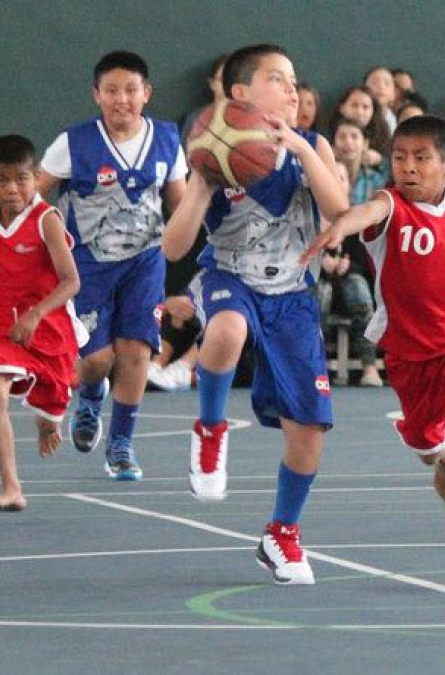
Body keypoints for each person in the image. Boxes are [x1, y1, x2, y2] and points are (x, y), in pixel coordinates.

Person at [162, 43, 348, 585]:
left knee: (309, 431)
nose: (292, 88)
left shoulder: (313, 145)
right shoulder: (209, 155)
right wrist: (200, 186)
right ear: (238, 93)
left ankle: (281, 534)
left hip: (292, 296)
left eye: (294, 80)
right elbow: (173, 248)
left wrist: (301, 150)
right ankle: (211, 425)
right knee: (227, 328)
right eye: (277, 78)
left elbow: (338, 210)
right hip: (229, 276)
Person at [303, 115, 445, 571]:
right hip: (410, 350)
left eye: (420, 158)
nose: (407, 167)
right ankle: (441, 456)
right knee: (427, 442)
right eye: (399, 157)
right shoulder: (389, 205)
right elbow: (365, 212)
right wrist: (342, 226)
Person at [38, 51, 188, 481]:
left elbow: (180, 205)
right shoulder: (74, 143)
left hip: (145, 261)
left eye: (130, 90)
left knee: (137, 351)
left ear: (146, 93)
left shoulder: (166, 139)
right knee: (97, 360)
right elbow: (36, 193)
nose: (121, 99)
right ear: (97, 95)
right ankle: (90, 396)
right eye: (111, 91)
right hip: (87, 265)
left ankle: (121, 444)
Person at [0, 135, 83, 512]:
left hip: (47, 327)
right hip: (1, 327)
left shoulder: (45, 220)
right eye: (2, 180)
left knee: (50, 411)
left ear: (35, 179)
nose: (12, 188)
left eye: (21, 179)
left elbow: (71, 281)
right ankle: (11, 487)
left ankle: (49, 419)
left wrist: (35, 314)